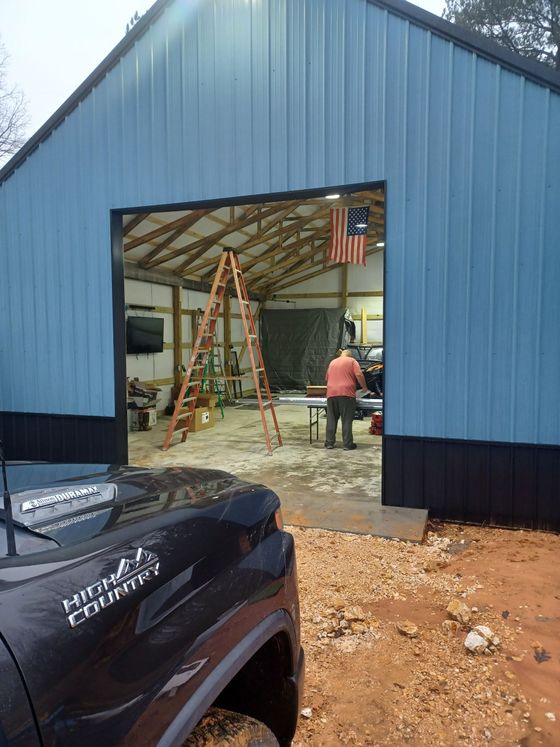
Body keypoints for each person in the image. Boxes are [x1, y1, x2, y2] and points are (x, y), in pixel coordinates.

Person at [324, 349, 371, 450]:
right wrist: (364, 388)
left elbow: (327, 378)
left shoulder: (332, 362)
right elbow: (359, 374)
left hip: (331, 393)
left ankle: (329, 443)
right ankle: (347, 444)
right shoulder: (352, 361)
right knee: (346, 420)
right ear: (350, 355)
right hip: (346, 394)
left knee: (331, 419)